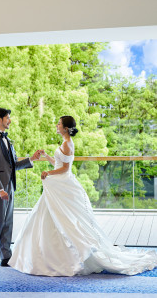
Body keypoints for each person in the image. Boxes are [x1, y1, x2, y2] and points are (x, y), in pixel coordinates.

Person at [9, 115, 157, 276]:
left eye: (59, 124)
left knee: (62, 218)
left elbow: (65, 169)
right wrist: (46, 157)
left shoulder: (67, 144)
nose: (57, 126)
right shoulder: (65, 144)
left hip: (62, 183)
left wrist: (48, 173)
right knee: (51, 216)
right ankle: (51, 255)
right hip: (58, 184)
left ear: (66, 128)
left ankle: (64, 257)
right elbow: (59, 164)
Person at [0, 108, 41, 267]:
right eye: (8, 118)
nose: (10, 121)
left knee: (8, 221)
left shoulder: (8, 141)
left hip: (10, 185)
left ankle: (5, 256)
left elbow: (13, 165)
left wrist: (32, 159)